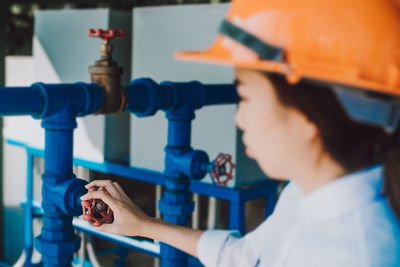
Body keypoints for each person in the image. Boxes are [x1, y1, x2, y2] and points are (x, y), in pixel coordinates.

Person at [81, 0, 400, 266]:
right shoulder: (305, 192)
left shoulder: (359, 254)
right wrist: (145, 225)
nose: (240, 118)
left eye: (245, 97)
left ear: (306, 116)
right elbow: (245, 257)